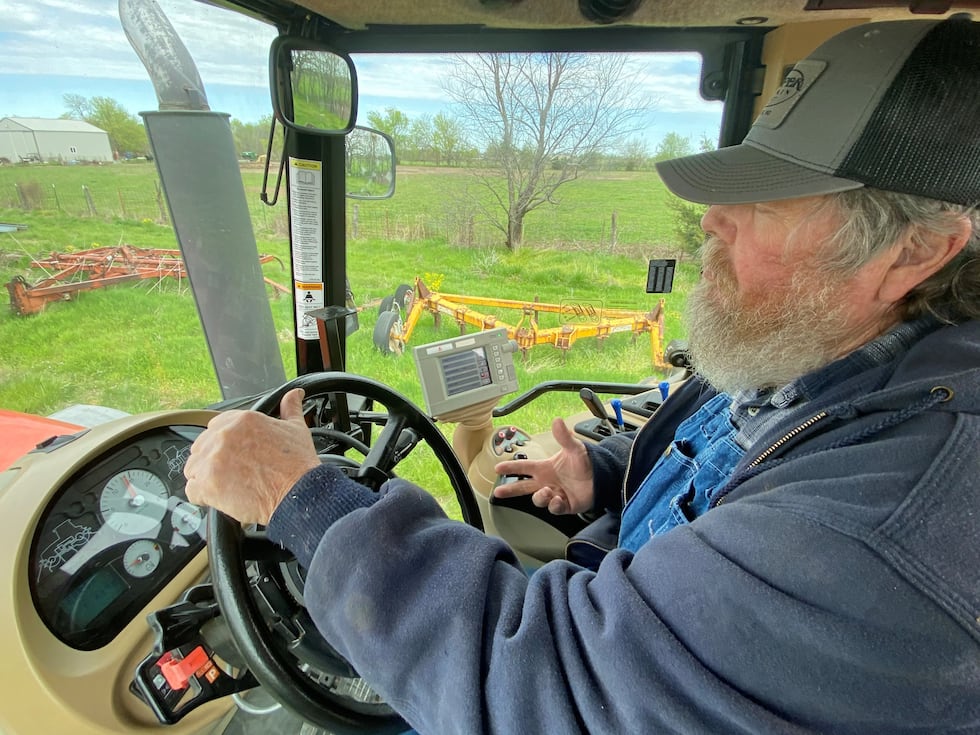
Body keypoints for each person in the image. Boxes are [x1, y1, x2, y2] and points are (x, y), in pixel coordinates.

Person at [184, 16, 980, 735]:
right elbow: (735, 460)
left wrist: (301, 498)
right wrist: (605, 475)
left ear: (912, 251)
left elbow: (542, 694)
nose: (713, 219)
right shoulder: (826, 355)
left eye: (769, 198)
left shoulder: (883, 528)